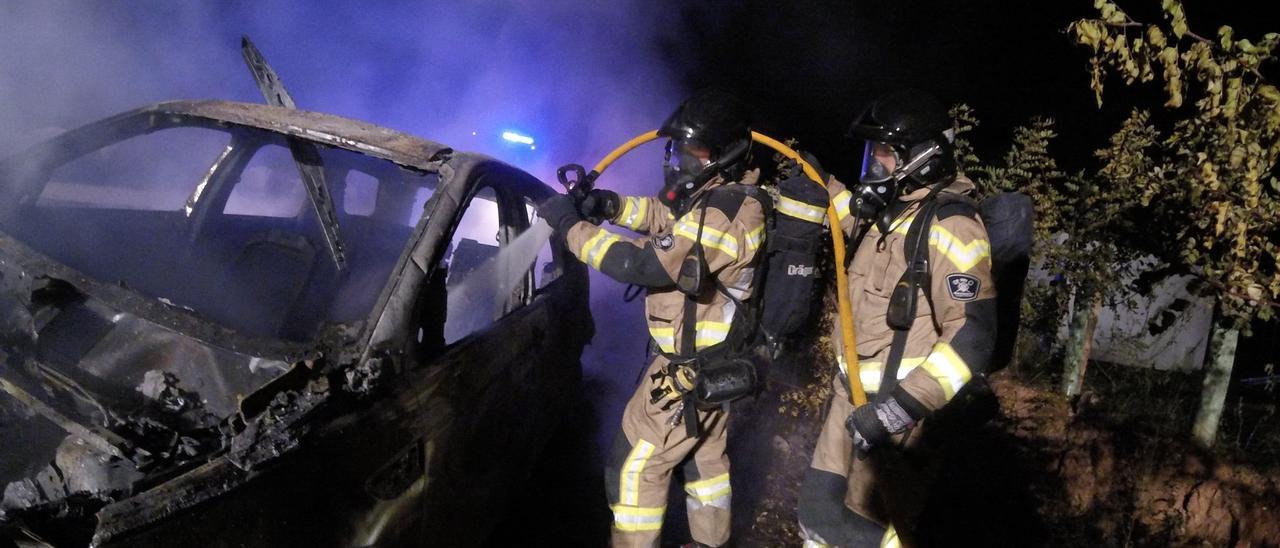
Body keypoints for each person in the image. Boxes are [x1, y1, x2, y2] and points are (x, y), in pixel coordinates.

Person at [538, 89, 768, 548]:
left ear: (725, 156)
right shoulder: (716, 198)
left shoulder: (726, 213)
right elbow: (665, 217)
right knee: (704, 465)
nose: (681, 162)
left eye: (694, 153)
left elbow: (641, 265)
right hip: (713, 366)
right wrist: (607, 206)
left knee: (634, 467)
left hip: (687, 372)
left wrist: (570, 226)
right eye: (678, 151)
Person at [797, 89, 997, 547]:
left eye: (883, 154)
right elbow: (847, 213)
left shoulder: (953, 228)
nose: (873, 165)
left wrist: (899, 410)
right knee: (818, 518)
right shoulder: (892, 213)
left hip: (899, 424)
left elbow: (973, 336)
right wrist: (816, 178)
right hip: (850, 405)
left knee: (873, 534)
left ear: (922, 159)